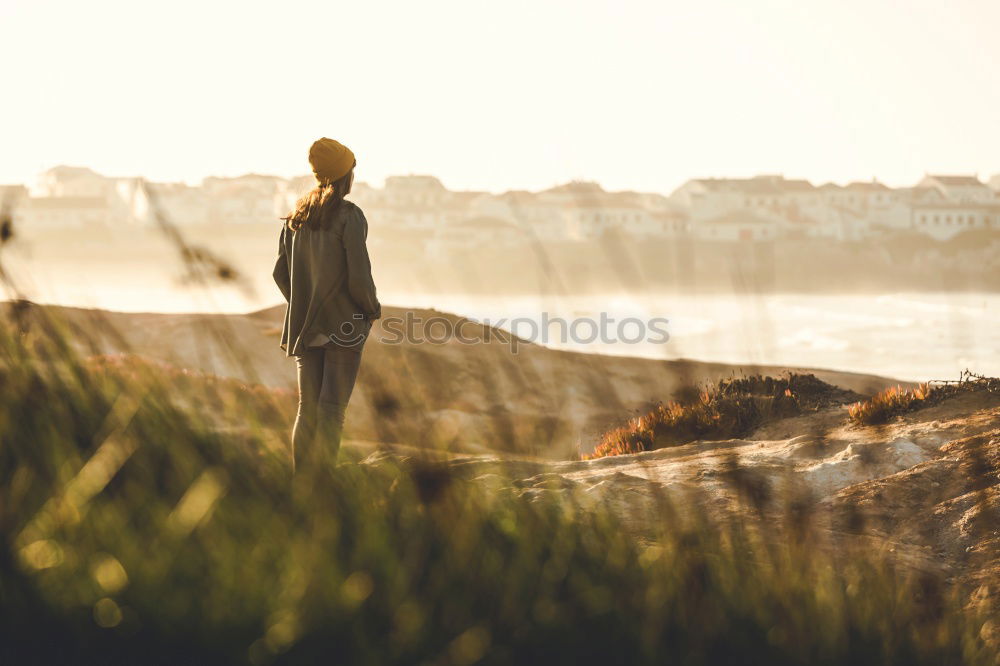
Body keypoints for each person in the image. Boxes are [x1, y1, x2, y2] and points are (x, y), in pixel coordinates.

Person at [272, 137, 381, 471]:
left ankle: (301, 484)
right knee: (332, 410)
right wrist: (371, 310)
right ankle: (323, 486)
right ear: (345, 174)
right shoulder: (350, 216)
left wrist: (305, 303)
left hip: (306, 328)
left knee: (307, 410)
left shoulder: (296, 217)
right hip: (344, 327)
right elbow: (358, 277)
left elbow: (280, 274)